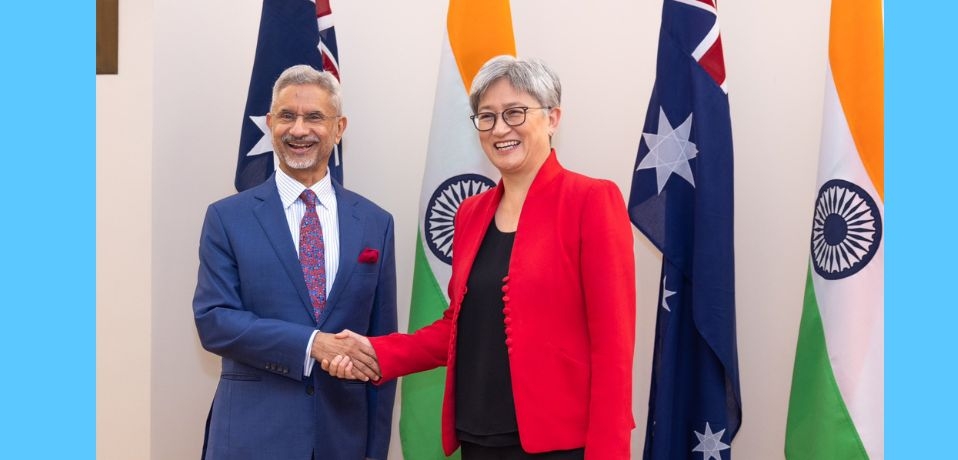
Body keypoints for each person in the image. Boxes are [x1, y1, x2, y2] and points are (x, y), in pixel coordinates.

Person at [329, 56, 636, 459]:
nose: (500, 128)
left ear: (553, 118)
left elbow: (614, 348)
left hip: (560, 446)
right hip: (477, 438)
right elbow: (458, 325)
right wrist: (378, 352)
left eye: (515, 112)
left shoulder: (592, 201)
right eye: (486, 117)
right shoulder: (470, 214)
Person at [192, 64, 397, 460]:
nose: (299, 129)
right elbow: (214, 320)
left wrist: (375, 451)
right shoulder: (227, 218)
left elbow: (380, 349)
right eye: (287, 116)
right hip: (251, 440)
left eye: (315, 117)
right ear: (270, 124)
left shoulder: (376, 223)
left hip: (344, 440)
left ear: (339, 128)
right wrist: (311, 345)